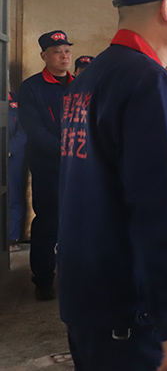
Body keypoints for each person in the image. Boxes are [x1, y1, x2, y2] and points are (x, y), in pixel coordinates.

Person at [57, 0, 167, 371]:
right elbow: (161, 206)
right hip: (133, 316)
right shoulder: (150, 85)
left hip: (90, 303)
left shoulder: (92, 77)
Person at [18, 30, 73, 300]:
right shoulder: (31, 88)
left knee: (77, 223)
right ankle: (43, 279)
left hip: (79, 168)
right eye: (56, 51)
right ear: (44, 56)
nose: (64, 56)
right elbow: (35, 130)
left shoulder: (80, 85)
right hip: (48, 167)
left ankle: (75, 276)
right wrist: (67, 151)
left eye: (67, 51)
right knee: (48, 223)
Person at [8, 91, 27, 252]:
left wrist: (9, 149)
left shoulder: (17, 101)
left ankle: (12, 238)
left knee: (13, 196)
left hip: (12, 156)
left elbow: (24, 129)